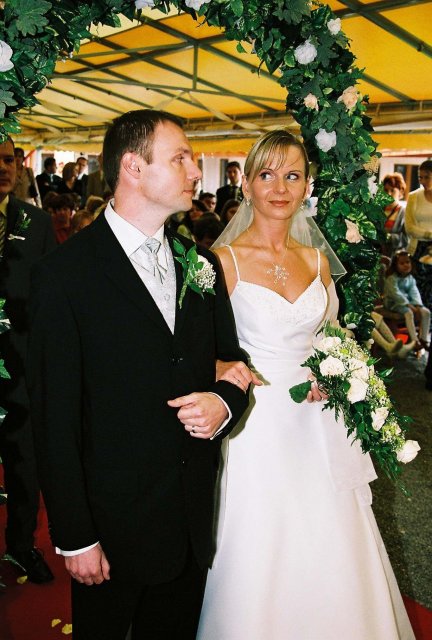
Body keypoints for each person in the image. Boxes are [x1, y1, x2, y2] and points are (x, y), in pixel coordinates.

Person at [27, 109, 254, 640]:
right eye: (181, 159)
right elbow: (54, 418)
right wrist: (76, 535)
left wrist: (223, 403)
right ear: (132, 166)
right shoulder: (65, 275)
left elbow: (233, 363)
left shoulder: (200, 264)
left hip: (188, 520)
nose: (195, 172)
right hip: (111, 527)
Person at [197, 129, 415, 639]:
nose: (280, 187)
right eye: (267, 174)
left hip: (318, 423)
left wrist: (331, 370)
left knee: (332, 533)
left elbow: (332, 336)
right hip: (255, 423)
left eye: (292, 175)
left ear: (307, 185)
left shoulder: (318, 261)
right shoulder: (222, 262)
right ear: (246, 184)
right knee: (262, 537)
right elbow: (198, 348)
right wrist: (223, 370)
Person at [0, 136, 56, 584]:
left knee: (23, 464)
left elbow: (50, 300)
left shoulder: (36, 222)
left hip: (19, 368)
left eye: (9, 159)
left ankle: (21, 546)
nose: (4, 167)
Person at [383, 249, 430, 352]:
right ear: (395, 265)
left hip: (409, 302)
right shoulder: (392, 278)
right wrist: (408, 305)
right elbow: (395, 294)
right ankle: (415, 341)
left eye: (407, 262)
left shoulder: (410, 278)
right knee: (408, 313)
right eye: (402, 263)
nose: (406, 265)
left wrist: (417, 305)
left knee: (426, 312)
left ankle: (423, 339)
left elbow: (414, 292)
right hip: (394, 303)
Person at [405, 160, 432, 311]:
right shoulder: (413, 197)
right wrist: (429, 234)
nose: (422, 181)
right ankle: (419, 324)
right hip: (418, 249)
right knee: (418, 293)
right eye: (420, 177)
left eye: (427, 177)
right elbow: (409, 227)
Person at [382, 172, 407, 255]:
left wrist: (388, 237)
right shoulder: (377, 210)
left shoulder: (405, 213)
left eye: (392, 190)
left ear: (401, 192)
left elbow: (406, 239)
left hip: (394, 257)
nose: (388, 194)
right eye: (386, 190)